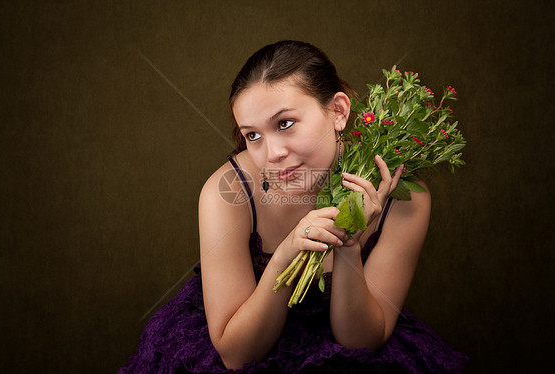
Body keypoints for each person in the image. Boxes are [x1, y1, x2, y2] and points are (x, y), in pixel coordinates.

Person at [119, 40, 469, 373]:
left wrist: (349, 241)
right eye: (252, 135)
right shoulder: (225, 193)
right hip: (247, 338)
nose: (271, 154)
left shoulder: (404, 198)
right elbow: (236, 355)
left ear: (338, 111)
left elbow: (361, 343)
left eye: (285, 124)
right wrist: (287, 252)